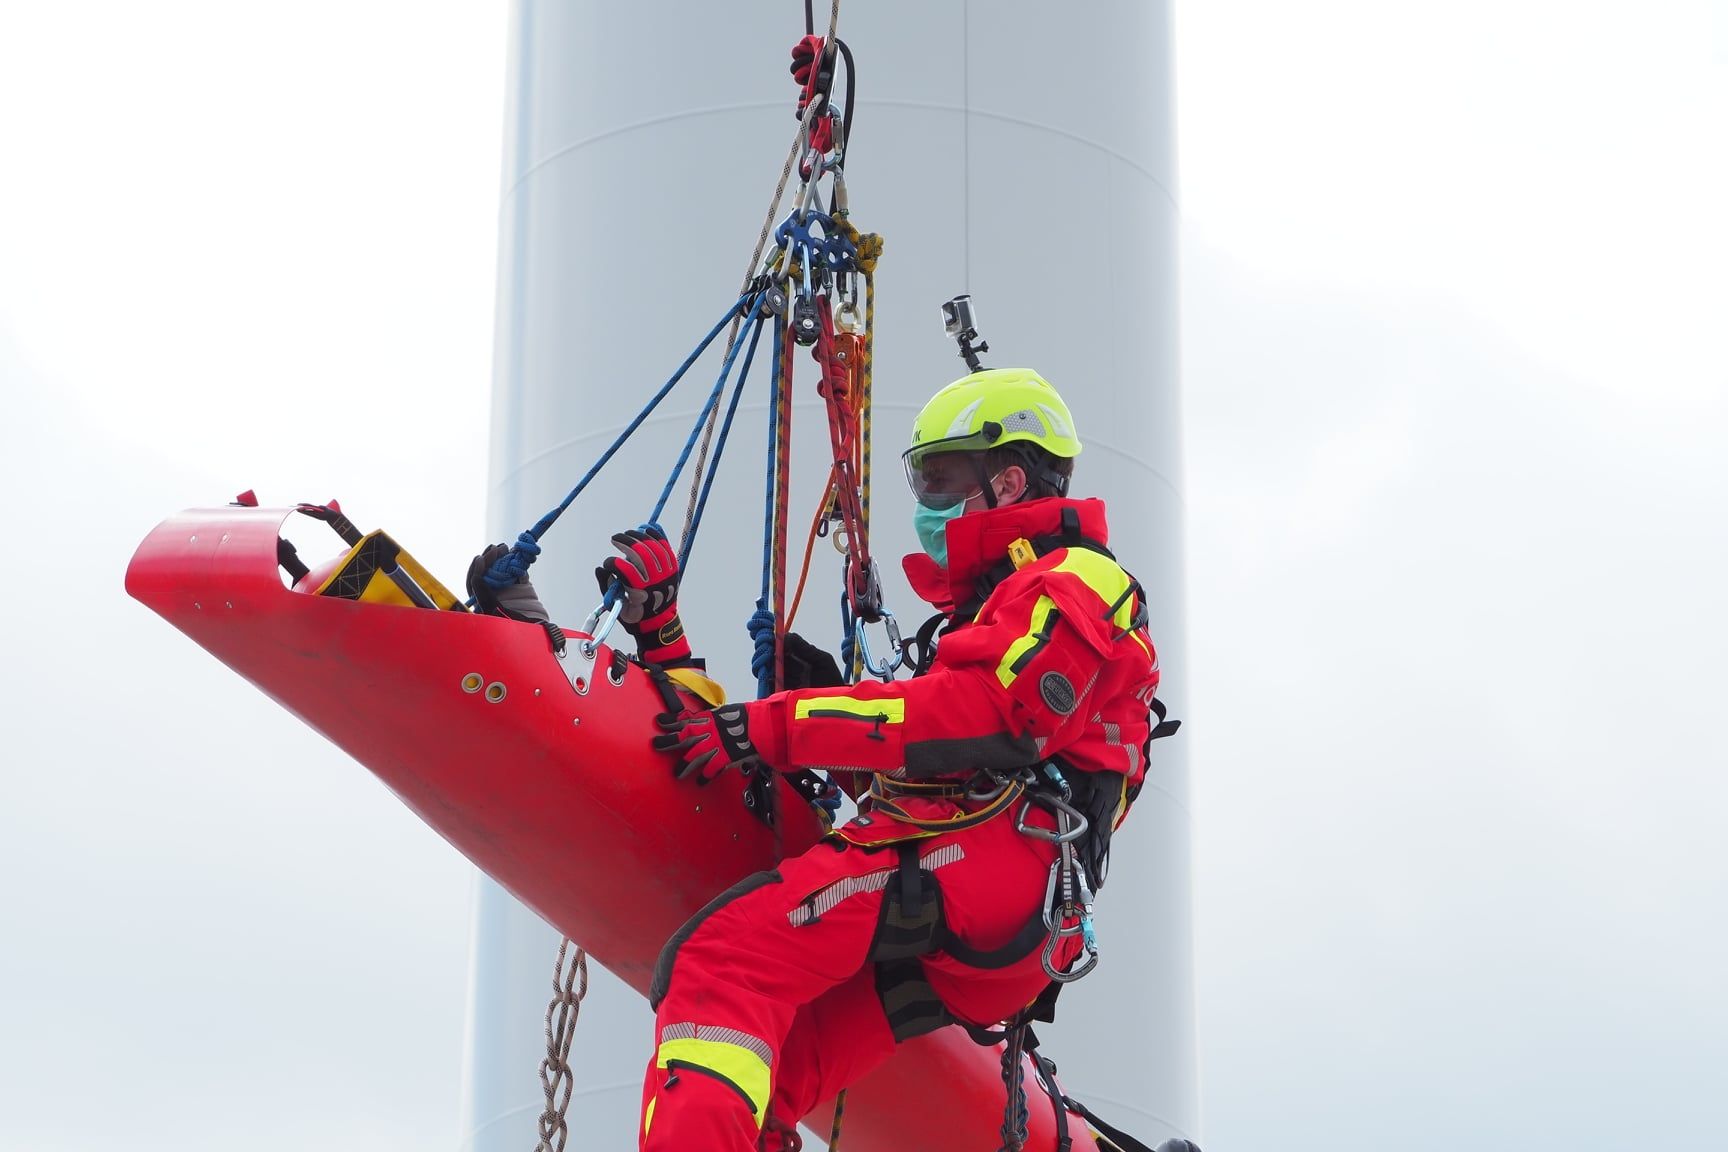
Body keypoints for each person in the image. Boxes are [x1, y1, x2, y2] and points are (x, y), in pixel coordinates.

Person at [479, 367, 1174, 1150]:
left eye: (940, 479)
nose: (927, 505)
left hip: (988, 862)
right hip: (999, 900)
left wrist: (774, 724)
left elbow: (990, 719)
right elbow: (948, 747)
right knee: (772, 1080)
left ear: (1008, 479)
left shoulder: (1077, 579)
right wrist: (762, 682)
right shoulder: (1002, 604)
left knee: (722, 966)